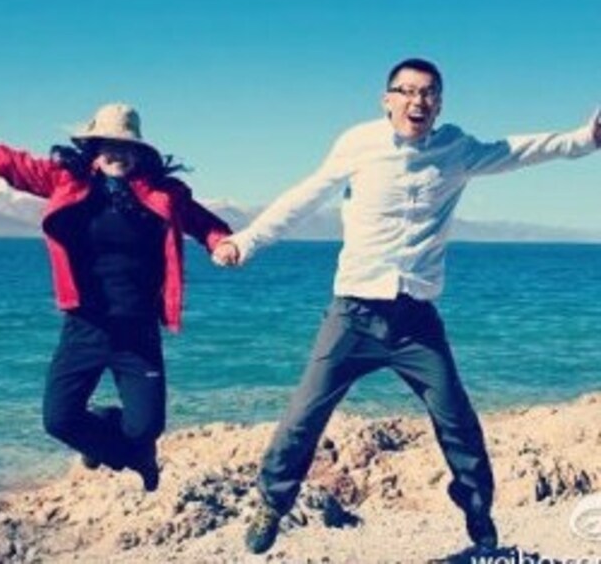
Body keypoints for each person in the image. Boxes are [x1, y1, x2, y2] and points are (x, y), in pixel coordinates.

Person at [213, 58, 601, 552]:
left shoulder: (456, 149)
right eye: (407, 91)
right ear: (387, 99)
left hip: (416, 321)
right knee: (303, 415)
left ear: (439, 103)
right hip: (353, 315)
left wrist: (586, 138)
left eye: (429, 92)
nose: (418, 100)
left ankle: (477, 512)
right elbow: (306, 195)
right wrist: (245, 242)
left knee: (457, 422)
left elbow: (520, 150)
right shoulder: (359, 143)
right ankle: (272, 502)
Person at [0, 103, 237, 492]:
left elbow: (203, 223)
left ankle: (118, 435)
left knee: (146, 427)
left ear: (139, 152)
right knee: (59, 421)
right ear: (94, 148)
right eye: (108, 144)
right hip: (85, 326)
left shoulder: (163, 193)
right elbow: (3, 160)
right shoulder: (65, 180)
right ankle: (125, 451)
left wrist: (221, 242)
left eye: (126, 146)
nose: (116, 153)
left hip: (137, 330)